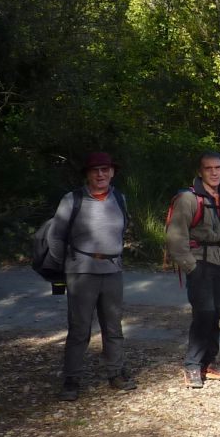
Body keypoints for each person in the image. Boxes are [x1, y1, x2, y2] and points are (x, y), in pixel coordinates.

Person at [49, 152, 134, 401]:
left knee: (113, 327)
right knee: (79, 328)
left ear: (112, 172)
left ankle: (115, 373)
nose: (101, 175)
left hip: (112, 271)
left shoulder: (119, 198)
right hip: (81, 271)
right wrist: (60, 268)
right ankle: (71, 379)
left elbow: (123, 229)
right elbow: (56, 237)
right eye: (95, 170)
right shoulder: (72, 199)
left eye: (105, 170)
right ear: (87, 174)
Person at [167, 151, 220, 388]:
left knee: (217, 313)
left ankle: (209, 363)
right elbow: (175, 237)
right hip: (199, 262)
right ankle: (192, 365)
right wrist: (190, 266)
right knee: (204, 313)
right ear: (200, 172)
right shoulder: (188, 199)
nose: (214, 172)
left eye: (217, 168)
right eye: (208, 168)